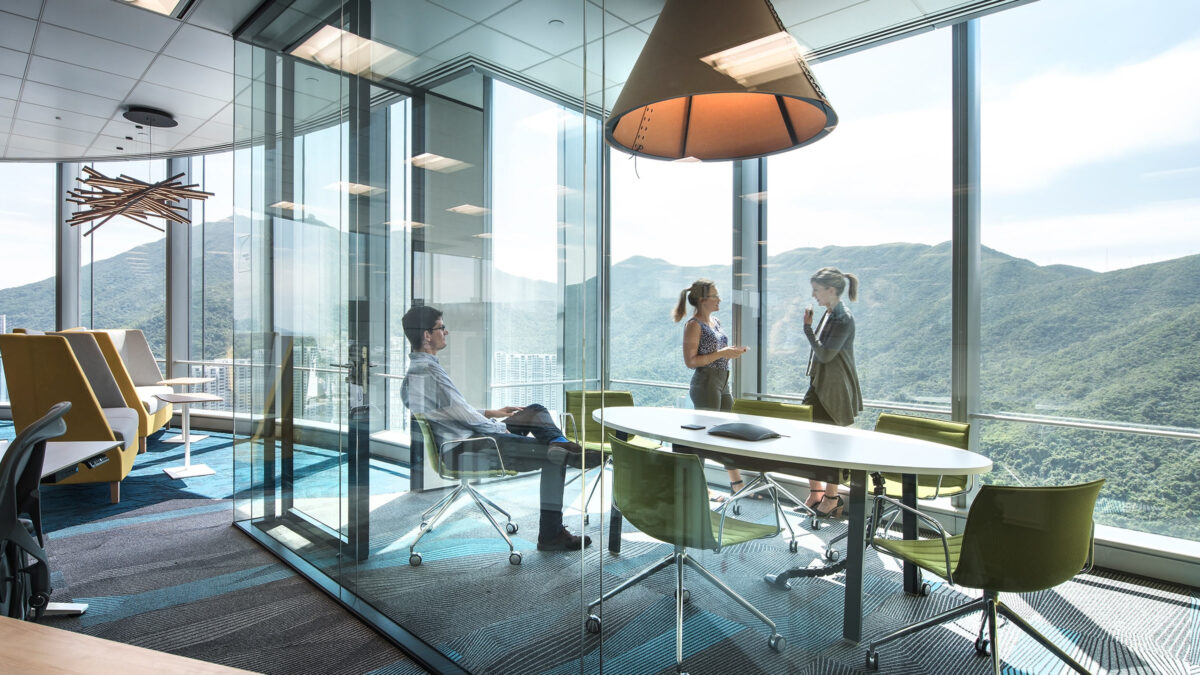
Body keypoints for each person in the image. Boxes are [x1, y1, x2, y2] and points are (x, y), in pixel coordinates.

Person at [400, 305, 596, 551]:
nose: (446, 332)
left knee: (534, 410)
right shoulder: (430, 372)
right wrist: (499, 428)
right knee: (554, 458)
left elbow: (452, 413)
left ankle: (561, 443)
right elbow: (464, 417)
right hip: (469, 447)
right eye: (441, 327)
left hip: (468, 439)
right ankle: (551, 534)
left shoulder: (414, 373)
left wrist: (493, 413)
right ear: (427, 335)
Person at [673, 279, 751, 502]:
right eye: (715, 296)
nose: (720, 299)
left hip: (722, 380)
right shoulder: (694, 325)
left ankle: (736, 484)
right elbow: (691, 361)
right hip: (706, 382)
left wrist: (731, 352)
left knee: (727, 432)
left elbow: (717, 352)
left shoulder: (715, 321)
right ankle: (699, 488)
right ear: (702, 299)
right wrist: (723, 353)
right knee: (703, 439)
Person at [801, 267, 863, 518]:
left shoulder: (842, 317)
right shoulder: (830, 313)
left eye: (817, 290)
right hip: (820, 385)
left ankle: (831, 497)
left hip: (833, 389)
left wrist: (807, 328)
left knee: (829, 445)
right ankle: (816, 494)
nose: (814, 295)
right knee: (810, 441)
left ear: (831, 290)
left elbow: (826, 354)